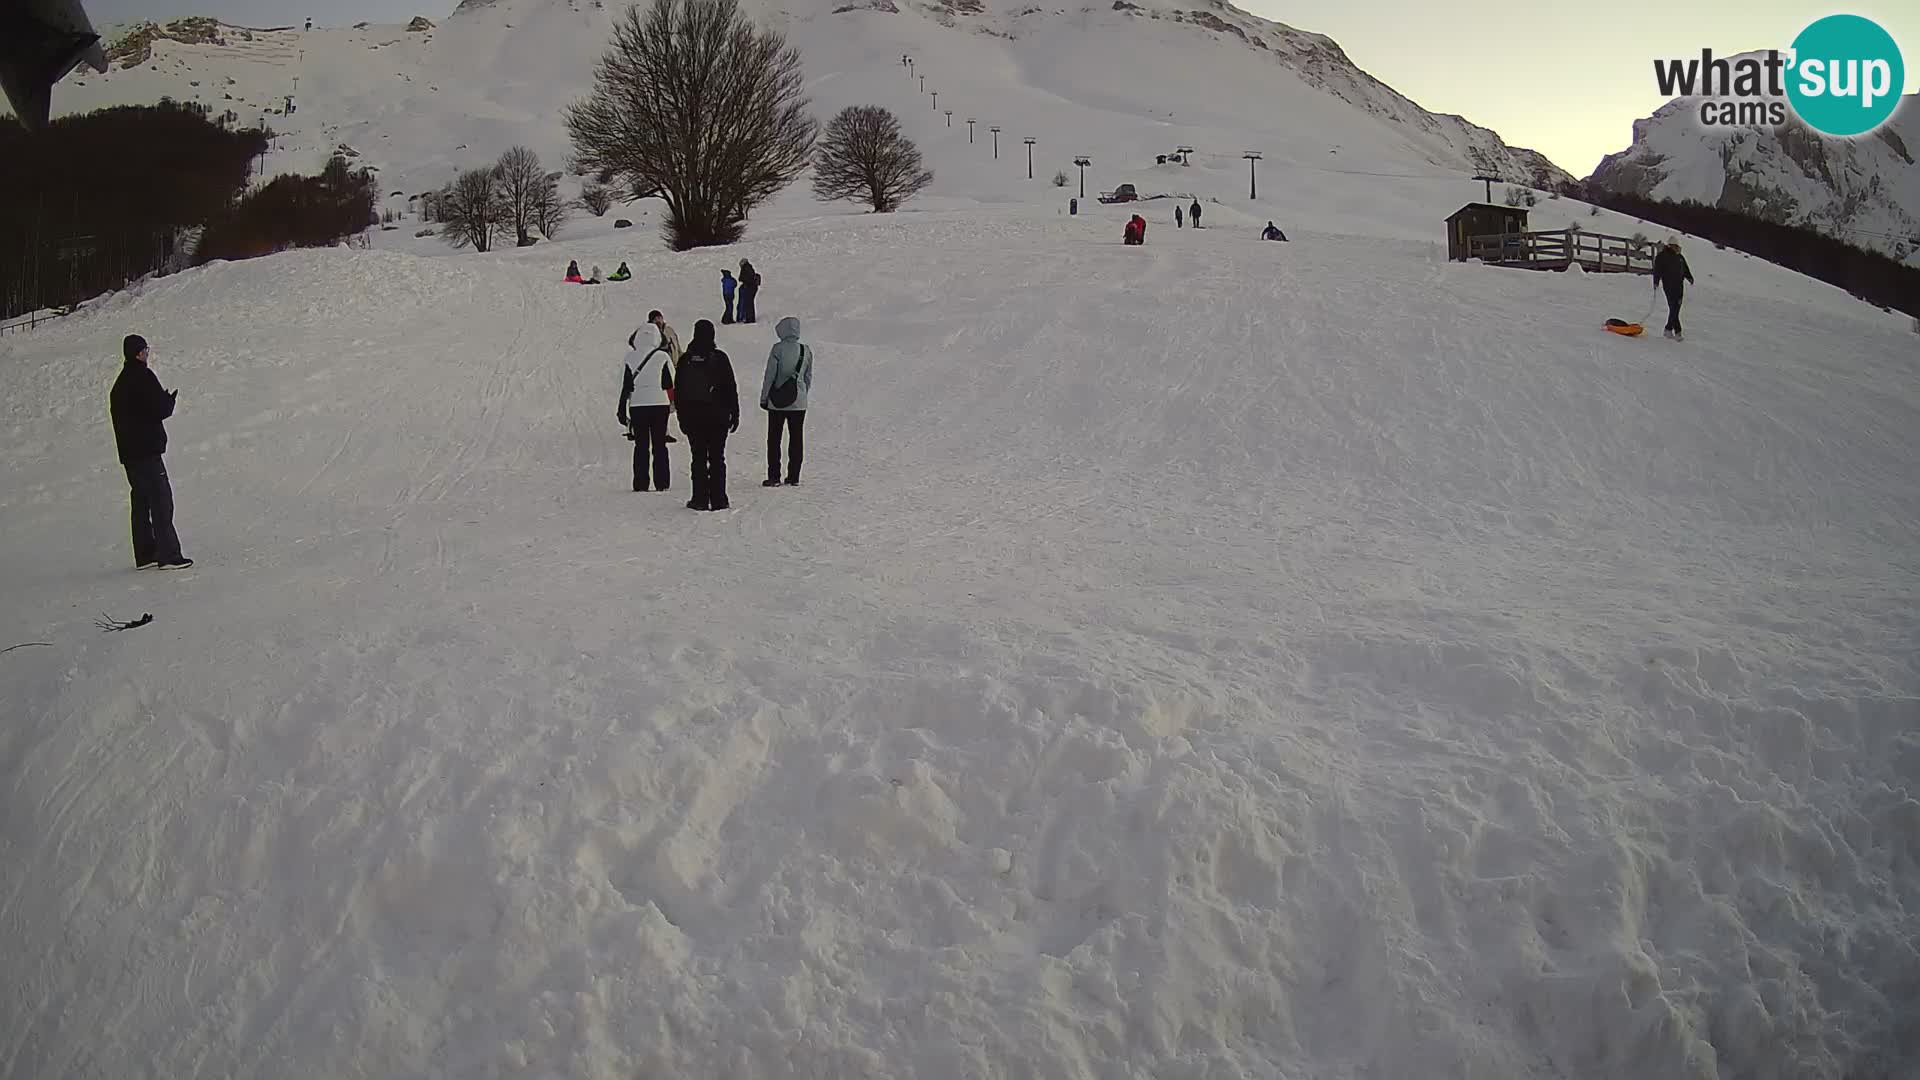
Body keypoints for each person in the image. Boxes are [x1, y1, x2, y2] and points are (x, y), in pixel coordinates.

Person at [110, 334, 191, 569]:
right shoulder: (143, 376)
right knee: (161, 500)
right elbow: (159, 408)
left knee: (141, 502)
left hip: (129, 454)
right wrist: (169, 401)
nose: (148, 353)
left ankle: (146, 553)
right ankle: (168, 555)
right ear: (138, 353)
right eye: (145, 349)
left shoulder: (120, 383)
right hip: (147, 451)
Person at [673, 320, 739, 511]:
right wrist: (734, 413)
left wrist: (682, 418)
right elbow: (730, 387)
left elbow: (679, 392)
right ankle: (719, 499)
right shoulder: (720, 358)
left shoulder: (686, 360)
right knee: (718, 457)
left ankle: (699, 498)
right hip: (718, 416)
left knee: (698, 457)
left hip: (694, 417)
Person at [618, 317, 677, 492]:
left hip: (637, 405)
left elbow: (625, 385)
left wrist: (621, 408)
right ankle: (662, 482)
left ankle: (640, 483)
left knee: (641, 445)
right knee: (659, 445)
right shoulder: (662, 357)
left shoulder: (630, 357)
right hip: (660, 404)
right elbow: (670, 383)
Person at [759, 316, 813, 487]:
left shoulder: (777, 349)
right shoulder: (806, 350)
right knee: (796, 438)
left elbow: (770, 376)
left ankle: (774, 476)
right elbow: (807, 377)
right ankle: (794, 476)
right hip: (799, 402)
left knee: (774, 439)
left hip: (777, 402)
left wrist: (764, 397)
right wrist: (802, 393)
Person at [1652, 239, 1694, 340]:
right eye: (1675, 246)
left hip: (1679, 285)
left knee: (1677, 307)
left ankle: (1669, 329)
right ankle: (1677, 331)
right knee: (1673, 307)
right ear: (1670, 246)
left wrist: (1689, 277)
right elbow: (1657, 269)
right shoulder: (1662, 256)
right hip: (1668, 285)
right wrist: (1656, 281)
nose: (1676, 248)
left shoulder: (1679, 257)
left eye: (1677, 246)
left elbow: (1685, 268)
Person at [737, 259, 761, 324]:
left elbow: (742, 278)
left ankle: (750, 318)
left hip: (749, 287)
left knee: (748, 303)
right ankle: (750, 318)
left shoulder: (746, 268)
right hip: (752, 287)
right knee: (750, 303)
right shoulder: (749, 268)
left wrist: (744, 281)